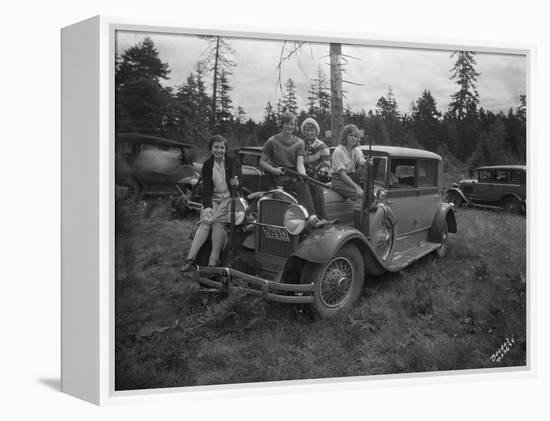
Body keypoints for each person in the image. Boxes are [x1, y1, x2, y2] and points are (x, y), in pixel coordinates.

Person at [180, 135, 242, 272]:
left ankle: (212, 262)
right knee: (205, 221)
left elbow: (239, 184)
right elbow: (206, 188)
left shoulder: (233, 162)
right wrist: (207, 206)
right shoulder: (207, 165)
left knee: (217, 223)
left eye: (222, 147)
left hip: (228, 199)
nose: (219, 150)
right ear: (211, 148)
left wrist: (236, 184)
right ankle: (190, 258)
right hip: (213, 199)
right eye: (216, 147)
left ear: (226, 149)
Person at [260, 112, 324, 228]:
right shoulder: (271, 141)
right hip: (277, 177)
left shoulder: (299, 143)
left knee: (306, 186)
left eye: (293, 124)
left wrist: (303, 175)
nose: (290, 127)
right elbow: (262, 162)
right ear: (282, 124)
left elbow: (300, 164)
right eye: (287, 124)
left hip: (293, 176)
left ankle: (313, 218)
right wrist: (274, 170)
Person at [331, 124, 367, 213]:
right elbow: (342, 175)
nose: (353, 138)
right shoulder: (338, 151)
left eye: (355, 136)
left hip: (351, 177)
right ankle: (358, 223)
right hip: (338, 180)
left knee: (369, 196)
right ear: (345, 136)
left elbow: (360, 160)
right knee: (362, 196)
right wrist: (357, 187)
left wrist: (366, 162)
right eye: (350, 135)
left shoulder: (356, 149)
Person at [300, 117, 330, 220]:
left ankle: (322, 218)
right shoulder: (300, 145)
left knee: (316, 187)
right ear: (304, 131)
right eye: (307, 130)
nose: (309, 133)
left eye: (312, 130)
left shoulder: (322, 146)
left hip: (318, 175)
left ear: (316, 131)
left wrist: (318, 171)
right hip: (303, 174)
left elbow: (326, 164)